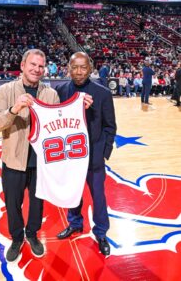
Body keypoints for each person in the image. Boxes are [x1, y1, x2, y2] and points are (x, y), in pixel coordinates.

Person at [0, 49, 60, 262]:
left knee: (37, 203)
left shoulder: (51, 94)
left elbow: (58, 127)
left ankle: (32, 234)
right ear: (22, 65)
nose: (37, 69)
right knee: (13, 204)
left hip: (40, 162)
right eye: (33, 64)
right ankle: (17, 237)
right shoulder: (5, 91)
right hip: (13, 160)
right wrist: (13, 109)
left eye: (41, 66)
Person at [55, 52, 117, 256]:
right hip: (70, 156)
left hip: (94, 158)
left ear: (90, 69)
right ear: (68, 68)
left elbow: (110, 126)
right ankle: (75, 223)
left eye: (83, 67)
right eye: (75, 67)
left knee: (98, 197)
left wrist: (104, 153)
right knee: (72, 195)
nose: (79, 71)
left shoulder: (103, 93)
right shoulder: (61, 90)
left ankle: (101, 232)